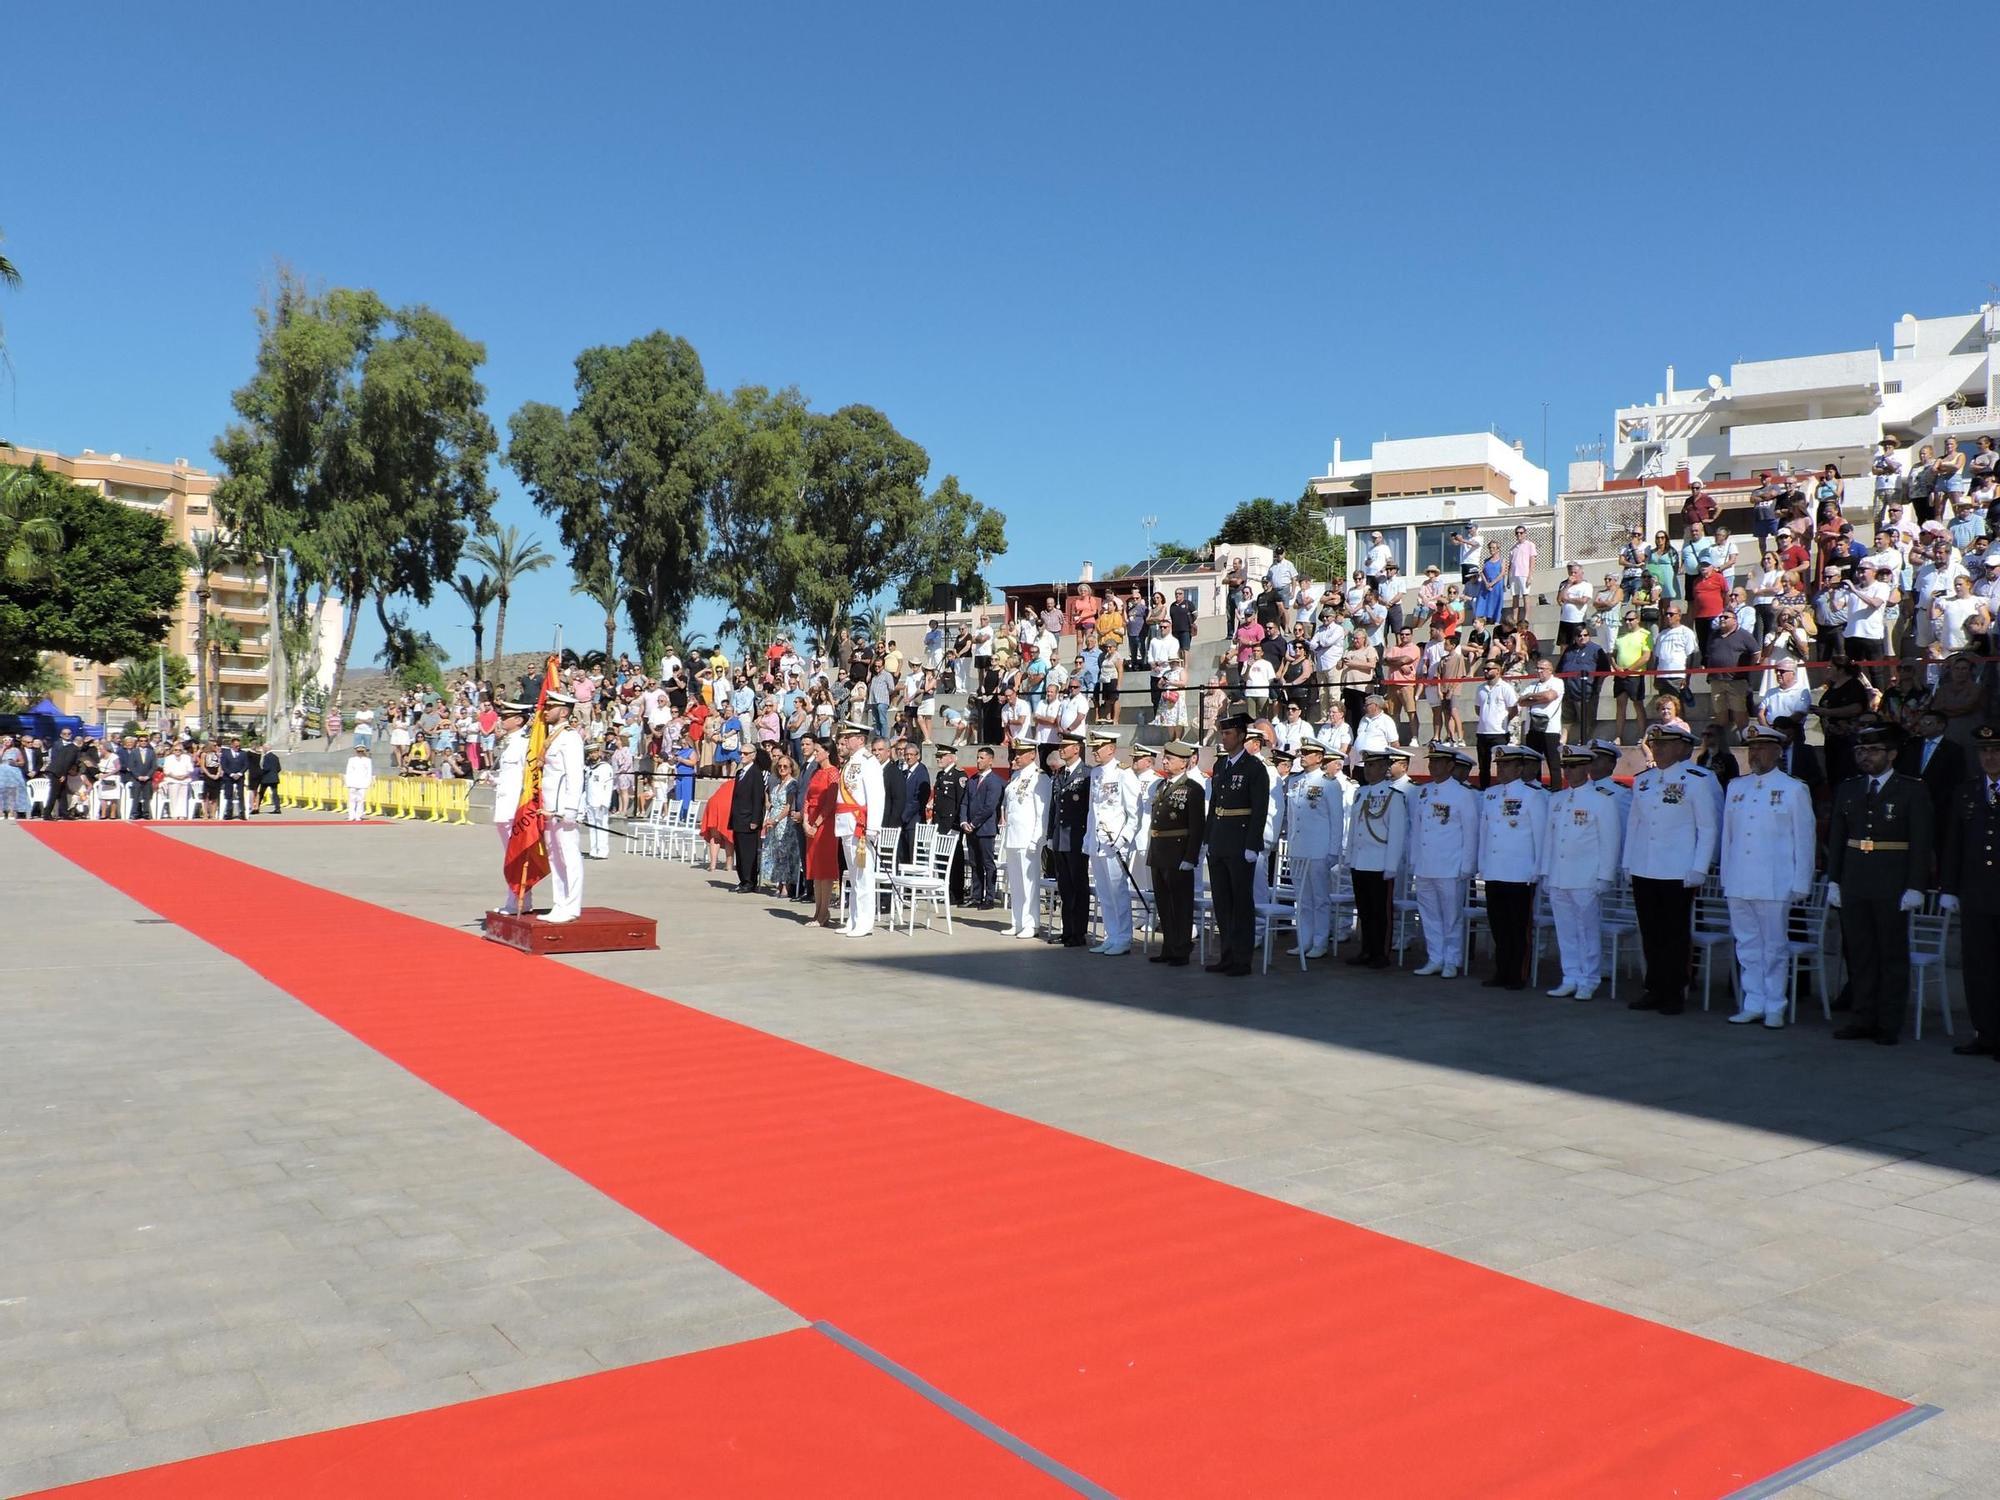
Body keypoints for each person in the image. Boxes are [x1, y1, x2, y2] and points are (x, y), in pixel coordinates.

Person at [1826, 727, 1933, 1045]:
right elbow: (1837, 836)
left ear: (1892, 754)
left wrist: (1916, 885)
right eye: (1861, 751)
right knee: (1860, 954)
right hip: (1856, 878)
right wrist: (1834, 879)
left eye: (1873, 750)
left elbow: (1921, 840)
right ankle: (1862, 1017)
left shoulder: (1911, 789)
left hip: (1892, 880)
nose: (1866, 757)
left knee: (1891, 955)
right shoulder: (1850, 788)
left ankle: (1888, 1022)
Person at [1716, 724, 1817, 1030]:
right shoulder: (1737, 786)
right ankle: (1753, 1000)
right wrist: (1725, 875)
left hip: (1775, 880)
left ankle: (1775, 1004)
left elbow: (1805, 839)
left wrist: (1802, 881)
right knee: (1746, 944)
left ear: (1777, 751)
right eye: (1751, 748)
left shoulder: (1793, 788)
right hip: (1740, 879)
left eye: (1762, 747)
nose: (1755, 753)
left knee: (1773, 946)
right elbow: (1728, 837)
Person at [1622, 723, 1719, 1016]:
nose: (1659, 748)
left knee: (1675, 935)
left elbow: (1708, 827)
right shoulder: (1644, 781)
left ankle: (1675, 990)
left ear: (1682, 748)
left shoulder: (1698, 779)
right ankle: (1654, 987)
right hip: (1645, 866)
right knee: (1650, 932)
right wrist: (1629, 862)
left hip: (1678, 870)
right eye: (1656, 743)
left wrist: (1699, 867)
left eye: (1665, 744)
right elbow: (1635, 825)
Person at [1540, 745, 1624, 1000]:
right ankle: (1570, 975)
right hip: (1559, 875)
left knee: (1587, 930)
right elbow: (1549, 840)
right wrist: (1545, 871)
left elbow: (1610, 840)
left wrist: (1605, 876)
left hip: (1586, 876)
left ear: (1587, 767)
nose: (1568, 771)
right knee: (1565, 930)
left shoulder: (1602, 799)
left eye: (1573, 766)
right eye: (1565, 766)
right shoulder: (1557, 799)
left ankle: (1589, 978)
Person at [1939, 726, 2000, 1061]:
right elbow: (1954, 844)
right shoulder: (1967, 792)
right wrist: (1949, 887)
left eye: (1996, 751)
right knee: (1978, 968)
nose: (1990, 757)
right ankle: (1985, 1033)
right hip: (1976, 893)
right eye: (1984, 751)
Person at [1475, 745, 1548, 990]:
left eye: (1507, 765)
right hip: (1495, 870)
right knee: (1499, 925)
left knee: (1518, 927)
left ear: (1520, 768)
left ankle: (1518, 973)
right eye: (1499, 765)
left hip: (1520, 872)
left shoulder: (1532, 795)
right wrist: (1483, 864)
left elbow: (1539, 835)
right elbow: (1485, 832)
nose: (1501, 769)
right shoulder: (1491, 794)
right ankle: (1502, 971)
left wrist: (1537, 869)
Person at [1203, 709, 1269, 977]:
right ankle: (1226, 955)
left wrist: (1252, 845)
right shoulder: (1221, 766)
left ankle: (1242, 958)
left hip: (1240, 842)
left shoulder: (1254, 768)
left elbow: (1260, 809)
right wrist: (1208, 838)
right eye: (1222, 732)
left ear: (1242, 736)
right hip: (1220, 840)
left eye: (1228, 733)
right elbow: (1214, 805)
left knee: (1241, 903)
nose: (1224, 737)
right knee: (1222, 902)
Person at [1407, 742, 1479, 978]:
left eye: (1438, 762)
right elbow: (1417, 829)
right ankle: (1435, 956)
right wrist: (1414, 860)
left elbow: (1470, 833)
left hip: (1450, 865)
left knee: (1451, 915)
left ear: (1450, 765)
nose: (1433, 766)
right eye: (1431, 761)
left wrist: (1467, 865)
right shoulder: (1424, 791)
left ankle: (1451, 959)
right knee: (1429, 914)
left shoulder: (1462, 794)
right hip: (1427, 864)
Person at [1144, 739, 1206, 965]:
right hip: (1160, 851)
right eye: (1165, 758)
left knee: (1180, 904)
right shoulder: (1162, 786)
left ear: (1185, 763)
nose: (1165, 761)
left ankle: (1181, 949)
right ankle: (1168, 947)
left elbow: (1197, 826)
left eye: (1170, 759)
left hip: (1178, 852)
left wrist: (1190, 857)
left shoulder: (1193, 789)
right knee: (1164, 903)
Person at [1343, 748, 1406, 969]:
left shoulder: (1393, 796)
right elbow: (1354, 829)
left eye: (1373, 766)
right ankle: (1367, 949)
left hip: (1380, 862)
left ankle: (1381, 953)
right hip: (1360, 861)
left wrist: (1391, 865)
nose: (1368, 770)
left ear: (1384, 768)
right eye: (1367, 766)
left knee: (1381, 912)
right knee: (1365, 910)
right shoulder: (1360, 793)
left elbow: (1397, 834)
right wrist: (1350, 856)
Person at [1282, 737, 1344, 959]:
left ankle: (1320, 941)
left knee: (1320, 898)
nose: (1302, 756)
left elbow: (1337, 820)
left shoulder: (1329, 783)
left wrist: (1333, 851)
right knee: (1303, 899)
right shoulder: (1295, 782)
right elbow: (1292, 817)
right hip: (1299, 848)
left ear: (1319, 757)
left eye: (1307, 753)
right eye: (1302, 752)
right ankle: (1304, 940)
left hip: (1319, 849)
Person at [1083, 733, 1141, 956]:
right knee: (1104, 893)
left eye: (1099, 747)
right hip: (1097, 842)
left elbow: (1133, 812)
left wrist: (1123, 838)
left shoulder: (1123, 773)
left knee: (1118, 892)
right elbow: (1093, 811)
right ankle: (1111, 935)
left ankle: (1124, 938)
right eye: (1093, 747)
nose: (1095, 751)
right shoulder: (1096, 773)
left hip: (1114, 842)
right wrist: (1088, 839)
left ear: (1111, 749)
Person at [835, 720, 887, 937]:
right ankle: (854, 919)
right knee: (854, 876)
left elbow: (876, 795)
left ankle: (865, 922)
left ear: (860, 739)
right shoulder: (851, 761)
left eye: (849, 737)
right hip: (847, 823)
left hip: (860, 824)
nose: (845, 740)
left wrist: (873, 826)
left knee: (864, 876)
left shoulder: (869, 761)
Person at [539, 693, 586, 922]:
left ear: (564, 711)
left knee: (569, 856)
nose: (545, 710)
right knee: (554, 857)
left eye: (551, 706)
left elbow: (575, 775)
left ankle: (572, 906)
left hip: (562, 808)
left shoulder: (570, 738)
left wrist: (571, 809)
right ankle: (559, 903)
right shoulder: (553, 737)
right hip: (549, 807)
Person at [1046, 732, 1091, 946]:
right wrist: (1049, 835)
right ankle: (1067, 931)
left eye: (1066, 746)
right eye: (1061, 746)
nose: (1061, 749)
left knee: (1078, 885)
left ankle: (1078, 932)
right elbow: (1054, 808)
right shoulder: (1060, 774)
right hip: (1060, 838)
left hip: (1077, 838)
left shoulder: (1087, 774)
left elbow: (1089, 809)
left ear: (1077, 748)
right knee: (1065, 886)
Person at [1002, 742, 1051, 937]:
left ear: (1032, 755)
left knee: (1029, 882)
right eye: (1016, 753)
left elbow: (1042, 812)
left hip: (1028, 837)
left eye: (1021, 753)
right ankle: (1018, 920)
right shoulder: (1015, 777)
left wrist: (1037, 838)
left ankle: (1032, 923)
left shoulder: (1040, 778)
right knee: (1015, 882)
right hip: (1013, 836)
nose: (1016, 757)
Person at [961, 747, 1003, 908]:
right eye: (978, 758)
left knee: (987, 863)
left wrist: (973, 823)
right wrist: (964, 821)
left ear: (990, 760)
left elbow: (989, 807)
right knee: (974, 863)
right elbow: (965, 802)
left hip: (985, 829)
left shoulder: (994, 781)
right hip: (970, 829)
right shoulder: (972, 780)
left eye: (982, 758)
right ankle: (976, 895)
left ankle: (990, 897)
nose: (978, 761)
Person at [931, 746, 969, 905]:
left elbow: (961, 802)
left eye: (942, 756)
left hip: (951, 824)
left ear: (952, 758)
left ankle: (956, 893)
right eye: (937, 756)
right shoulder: (941, 775)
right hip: (940, 823)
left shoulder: (958, 776)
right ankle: (945, 890)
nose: (938, 759)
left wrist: (957, 824)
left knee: (955, 860)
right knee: (942, 858)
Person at [584, 744, 616, 860]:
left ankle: (602, 851)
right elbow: (587, 787)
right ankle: (594, 850)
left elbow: (608, 786)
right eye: (590, 753)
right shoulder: (588, 768)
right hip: (590, 801)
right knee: (592, 827)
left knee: (601, 826)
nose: (593, 755)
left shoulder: (605, 767)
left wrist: (605, 802)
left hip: (601, 802)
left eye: (595, 752)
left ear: (599, 752)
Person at [342, 744, 375, 821]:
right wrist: (348, 782)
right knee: (352, 800)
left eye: (361, 751)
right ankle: (351, 815)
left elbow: (369, 772)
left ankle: (358, 815)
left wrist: (368, 782)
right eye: (358, 751)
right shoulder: (352, 760)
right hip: (353, 782)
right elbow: (348, 771)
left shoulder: (367, 760)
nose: (360, 752)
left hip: (362, 782)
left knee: (361, 800)